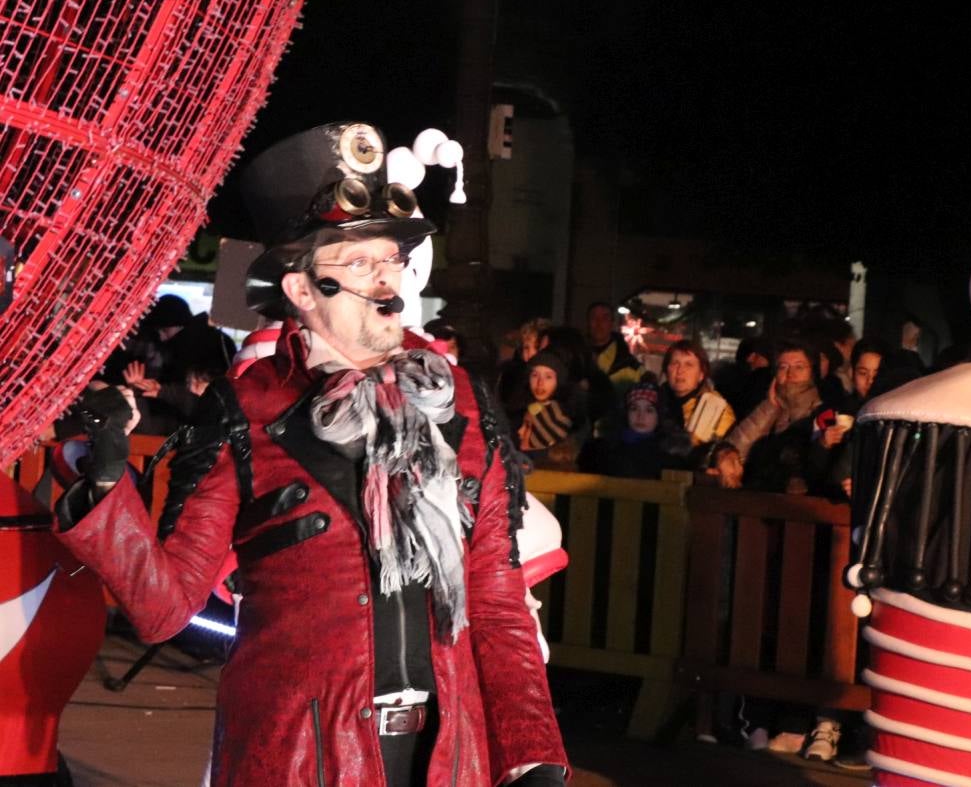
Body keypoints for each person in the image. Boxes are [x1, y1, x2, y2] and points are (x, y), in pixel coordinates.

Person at [53, 122, 567, 786]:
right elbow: (165, 607)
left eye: (391, 259)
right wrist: (105, 482)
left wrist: (532, 749)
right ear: (301, 289)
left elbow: (496, 598)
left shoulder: (463, 405)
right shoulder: (244, 412)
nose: (388, 282)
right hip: (299, 758)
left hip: (448, 756)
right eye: (359, 263)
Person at [713, 341, 824, 492]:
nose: (790, 374)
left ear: (813, 373)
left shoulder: (822, 413)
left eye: (799, 367)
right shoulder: (770, 408)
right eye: (783, 367)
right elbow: (737, 448)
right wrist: (770, 406)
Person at [658, 339, 736, 468]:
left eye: (689, 364)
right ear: (666, 370)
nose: (680, 370)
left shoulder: (717, 409)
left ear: (701, 374)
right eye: (675, 363)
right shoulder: (652, 402)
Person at [578, 381, 671, 479]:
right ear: (626, 412)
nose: (640, 416)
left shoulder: (668, 456)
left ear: (659, 417)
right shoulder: (599, 450)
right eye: (634, 408)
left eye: (649, 410)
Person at [518, 350, 583, 470]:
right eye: (535, 375)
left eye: (548, 377)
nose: (540, 383)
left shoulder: (560, 414)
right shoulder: (520, 409)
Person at [585, 301, 643, 394]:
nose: (599, 323)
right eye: (594, 318)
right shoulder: (576, 359)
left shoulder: (630, 366)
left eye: (605, 318)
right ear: (587, 322)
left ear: (612, 323)